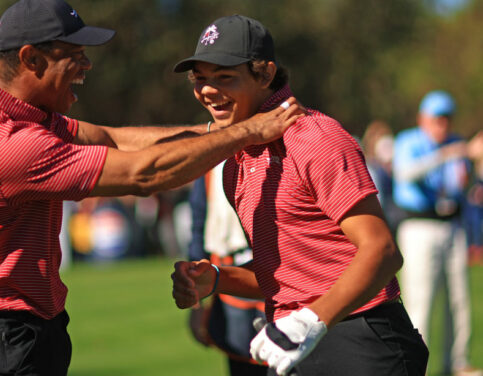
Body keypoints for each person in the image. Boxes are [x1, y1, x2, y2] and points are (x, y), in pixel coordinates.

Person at [0, 1, 303, 375]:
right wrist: (249, 132)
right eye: (74, 54)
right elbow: (144, 175)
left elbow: (112, 138)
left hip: (10, 332)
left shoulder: (7, 110)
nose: (87, 65)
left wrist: (218, 131)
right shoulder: (9, 143)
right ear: (31, 58)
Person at [170, 15, 428, 376]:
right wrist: (216, 277)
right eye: (200, 78)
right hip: (295, 340)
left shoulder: (314, 137)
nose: (208, 90)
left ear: (265, 74)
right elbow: (282, 275)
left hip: (360, 338)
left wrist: (312, 319)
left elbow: (382, 251)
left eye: (224, 76)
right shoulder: (236, 161)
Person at [392, 90, 482, 376]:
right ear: (423, 118)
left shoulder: (457, 144)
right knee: (422, 298)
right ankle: (419, 365)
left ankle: (457, 362)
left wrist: (474, 162)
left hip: (452, 225)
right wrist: (446, 155)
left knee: (459, 299)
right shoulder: (409, 141)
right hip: (419, 226)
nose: (441, 124)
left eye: (446, 119)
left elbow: (464, 187)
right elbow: (405, 174)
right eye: (436, 118)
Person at [187, 163, 268, 375]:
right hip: (231, 278)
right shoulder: (213, 164)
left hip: (283, 277)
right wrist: (197, 304)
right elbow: (199, 227)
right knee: (241, 360)